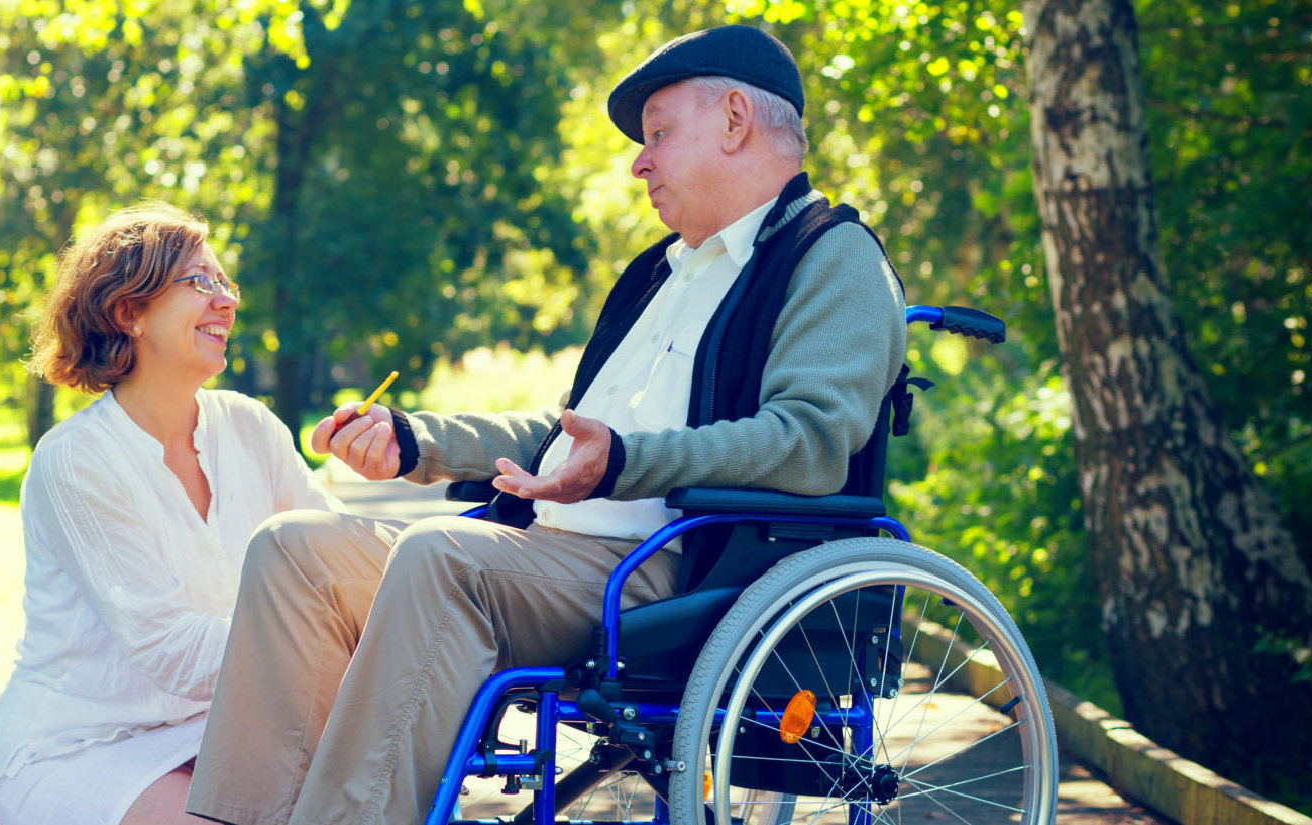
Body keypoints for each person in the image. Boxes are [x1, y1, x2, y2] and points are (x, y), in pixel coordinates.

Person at [185, 24, 908, 825]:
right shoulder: (658, 273)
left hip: (672, 567)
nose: (639, 160)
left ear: (736, 119)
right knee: (294, 549)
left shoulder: (829, 257)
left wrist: (627, 461)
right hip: (550, 555)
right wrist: (416, 441)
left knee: (442, 557)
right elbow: (569, 434)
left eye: (658, 134)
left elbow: (806, 445)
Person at [0, 203, 345, 825]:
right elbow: (171, 649)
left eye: (227, 284)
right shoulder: (76, 460)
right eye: (202, 282)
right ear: (130, 312)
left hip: (210, 733)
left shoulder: (250, 427)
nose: (226, 301)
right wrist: (310, 635)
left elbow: (334, 555)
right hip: (79, 746)